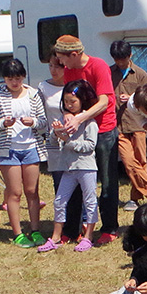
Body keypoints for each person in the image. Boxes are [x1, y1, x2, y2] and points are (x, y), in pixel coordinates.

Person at [54, 35, 120, 244]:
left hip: (103, 130)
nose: (61, 63)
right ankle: (72, 229)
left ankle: (109, 227)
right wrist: (68, 115)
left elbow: (104, 101)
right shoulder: (69, 70)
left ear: (74, 54)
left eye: (62, 58)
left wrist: (80, 118)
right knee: (74, 176)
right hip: (79, 130)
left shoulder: (98, 66)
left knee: (107, 181)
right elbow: (68, 99)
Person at [0, 58, 47, 248]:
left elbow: (43, 121)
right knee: (15, 192)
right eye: (10, 79)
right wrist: (3, 123)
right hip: (8, 149)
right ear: (4, 78)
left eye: (18, 78)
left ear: (23, 77)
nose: (14, 82)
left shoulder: (33, 94)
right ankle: (18, 233)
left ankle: (35, 229)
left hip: (31, 147)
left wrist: (33, 122)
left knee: (32, 191)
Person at [37, 80, 99, 253]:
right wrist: (56, 133)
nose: (69, 105)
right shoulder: (62, 119)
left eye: (73, 101)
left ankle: (88, 236)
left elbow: (90, 146)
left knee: (90, 201)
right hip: (68, 168)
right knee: (59, 201)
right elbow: (52, 141)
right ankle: (56, 237)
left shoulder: (89, 122)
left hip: (86, 167)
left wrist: (68, 141)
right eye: (66, 102)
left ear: (82, 101)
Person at [39, 53, 81, 241]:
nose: (53, 70)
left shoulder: (74, 86)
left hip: (75, 140)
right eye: (50, 66)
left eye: (58, 66)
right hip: (54, 142)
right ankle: (63, 228)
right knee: (60, 185)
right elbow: (40, 114)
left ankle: (79, 225)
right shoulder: (43, 87)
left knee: (79, 184)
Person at [110, 40, 147, 212]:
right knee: (128, 161)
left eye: (123, 58)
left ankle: (135, 198)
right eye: (117, 59)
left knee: (141, 161)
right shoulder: (109, 72)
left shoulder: (140, 74)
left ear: (130, 56)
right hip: (118, 125)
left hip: (139, 124)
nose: (120, 62)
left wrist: (133, 98)